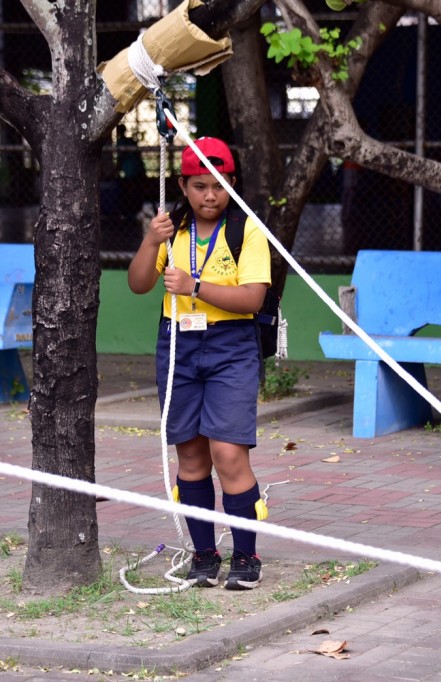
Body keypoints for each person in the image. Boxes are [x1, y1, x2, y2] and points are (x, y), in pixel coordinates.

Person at [126, 137, 271, 589]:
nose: (211, 195)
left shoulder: (245, 230)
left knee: (227, 452)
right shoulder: (174, 229)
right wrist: (152, 241)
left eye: (220, 185)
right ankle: (205, 556)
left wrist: (195, 286)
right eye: (200, 186)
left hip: (231, 347)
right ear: (183, 186)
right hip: (178, 346)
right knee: (190, 455)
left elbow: (252, 298)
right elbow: (138, 284)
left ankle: (246, 557)